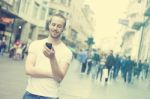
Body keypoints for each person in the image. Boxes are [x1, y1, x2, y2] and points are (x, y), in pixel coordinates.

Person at [23, 14, 73, 99]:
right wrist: (53, 73)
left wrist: (52, 58)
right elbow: (28, 70)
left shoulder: (67, 52)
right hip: (30, 94)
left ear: (63, 29)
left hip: (50, 96)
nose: (55, 28)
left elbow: (59, 78)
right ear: (49, 25)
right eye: (53, 24)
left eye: (59, 26)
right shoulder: (35, 44)